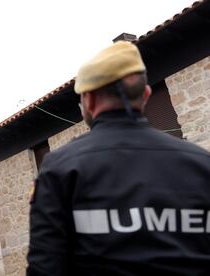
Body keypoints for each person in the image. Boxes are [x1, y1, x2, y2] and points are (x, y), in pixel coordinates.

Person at [27, 41, 210, 275]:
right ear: (145, 95)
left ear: (89, 101)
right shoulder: (202, 165)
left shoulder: (60, 169)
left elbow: (45, 268)